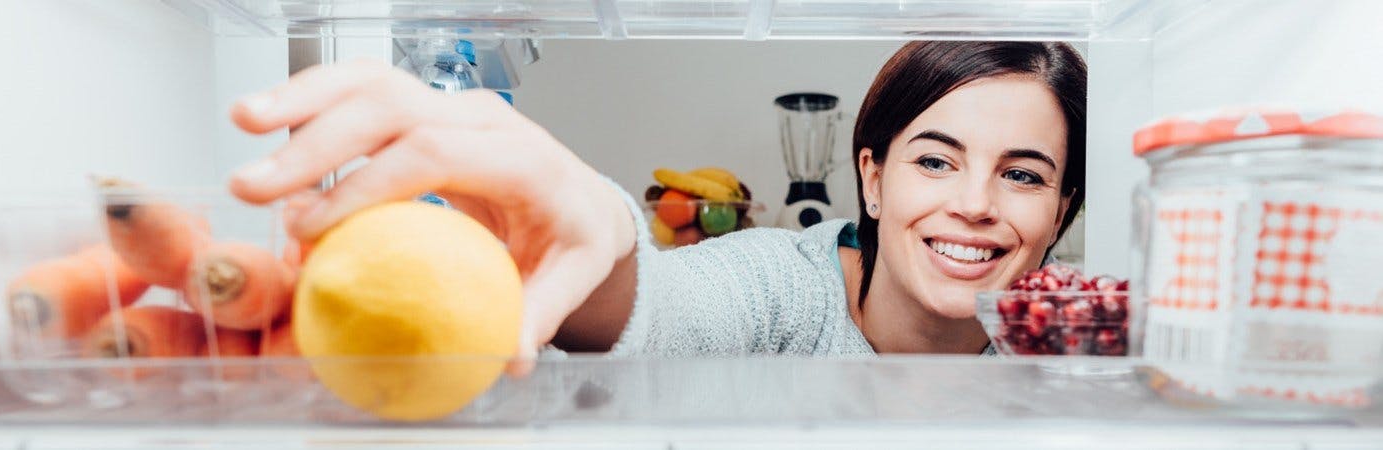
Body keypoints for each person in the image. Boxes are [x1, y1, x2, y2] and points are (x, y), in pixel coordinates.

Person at [226, 41, 1087, 375]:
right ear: (872, 176)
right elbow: (667, 308)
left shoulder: (1080, 334)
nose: (974, 204)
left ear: (1063, 209)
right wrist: (602, 239)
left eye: (1022, 175)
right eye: (935, 161)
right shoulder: (784, 288)